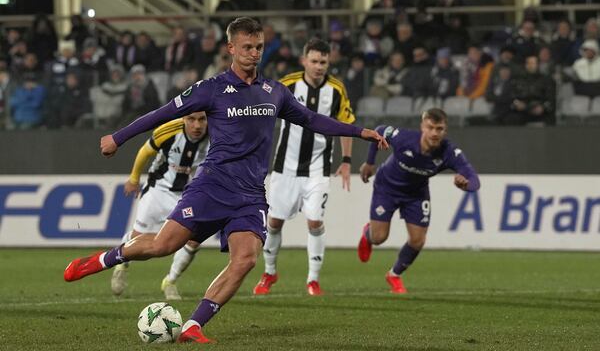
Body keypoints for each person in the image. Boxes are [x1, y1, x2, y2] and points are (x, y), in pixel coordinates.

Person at [63, 17, 387, 344]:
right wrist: (118, 138)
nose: (253, 53)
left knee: (246, 258)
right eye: (246, 47)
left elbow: (313, 120)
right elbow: (162, 113)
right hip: (212, 186)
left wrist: (360, 132)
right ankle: (105, 259)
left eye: (258, 47)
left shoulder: (274, 92)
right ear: (231, 48)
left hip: (250, 195)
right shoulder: (211, 89)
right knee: (163, 245)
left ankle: (193, 325)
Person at [253, 39, 355, 297]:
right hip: (284, 168)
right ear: (304, 61)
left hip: (317, 170)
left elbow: (346, 125)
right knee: (274, 223)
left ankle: (313, 280)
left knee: (315, 222)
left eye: (323, 62)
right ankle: (270, 273)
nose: (319, 66)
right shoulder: (287, 84)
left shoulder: (336, 89)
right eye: (314, 61)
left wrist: (346, 161)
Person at [357, 108, 479, 293]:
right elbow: (379, 131)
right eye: (430, 127)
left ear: (445, 130)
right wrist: (370, 162)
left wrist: (466, 185)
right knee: (379, 237)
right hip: (387, 188)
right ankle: (368, 234)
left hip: (416, 194)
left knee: (417, 240)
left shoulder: (449, 152)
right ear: (423, 126)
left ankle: (394, 275)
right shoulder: (404, 138)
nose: (434, 133)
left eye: (439, 129)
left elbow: (474, 179)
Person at [111, 112, 209, 300]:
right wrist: (134, 179)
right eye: (191, 119)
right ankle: (122, 263)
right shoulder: (169, 130)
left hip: (187, 195)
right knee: (139, 239)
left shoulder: (217, 133)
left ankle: (170, 281)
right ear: (184, 119)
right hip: (159, 190)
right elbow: (145, 152)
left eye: (202, 119)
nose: (197, 125)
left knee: (194, 240)